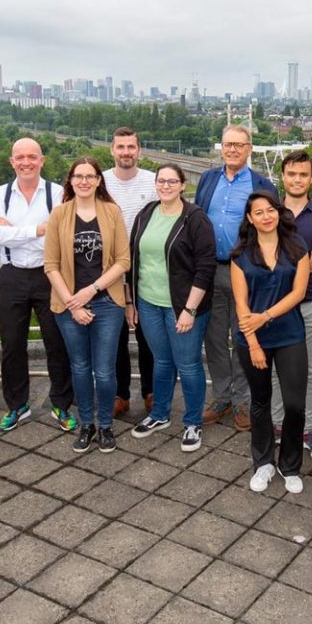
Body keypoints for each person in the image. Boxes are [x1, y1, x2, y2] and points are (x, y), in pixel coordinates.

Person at [126, 163, 216, 452]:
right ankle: (159, 414)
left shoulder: (195, 219)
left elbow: (205, 267)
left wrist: (189, 310)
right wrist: (131, 301)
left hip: (183, 307)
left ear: (182, 185)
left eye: (171, 181)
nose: (165, 186)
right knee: (161, 361)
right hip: (149, 302)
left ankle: (192, 422)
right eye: (161, 181)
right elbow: (133, 259)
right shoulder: (146, 214)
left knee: (188, 364)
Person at [45, 157, 131, 455]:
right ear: (70, 181)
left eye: (89, 176)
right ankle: (86, 425)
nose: (83, 181)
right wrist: (73, 303)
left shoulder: (111, 212)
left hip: (107, 303)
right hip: (69, 307)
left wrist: (91, 290)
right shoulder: (59, 215)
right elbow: (51, 265)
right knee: (80, 368)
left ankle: (105, 425)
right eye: (78, 176)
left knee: (105, 371)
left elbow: (123, 261)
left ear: (98, 180)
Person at [0, 138, 75, 432]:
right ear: (11, 162)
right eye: (20, 157)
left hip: (49, 274)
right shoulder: (0, 194)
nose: (26, 162)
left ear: (42, 160)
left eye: (32, 157)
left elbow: (62, 234)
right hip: (12, 274)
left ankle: (61, 405)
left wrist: (12, 230)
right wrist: (37, 229)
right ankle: (17, 405)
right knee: (12, 344)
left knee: (57, 342)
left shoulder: (57, 192)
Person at [196, 125, 276, 430]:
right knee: (214, 337)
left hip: (244, 270)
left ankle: (243, 400)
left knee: (243, 335)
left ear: (249, 149)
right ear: (222, 147)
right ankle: (221, 396)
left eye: (239, 145)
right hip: (210, 270)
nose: (232, 150)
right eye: (228, 144)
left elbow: (271, 228)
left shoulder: (262, 184)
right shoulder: (207, 179)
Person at [231, 191, 311, 494]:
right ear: (250, 219)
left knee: (295, 404)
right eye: (258, 212)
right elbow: (241, 306)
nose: (266, 216)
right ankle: (263, 462)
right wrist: (253, 343)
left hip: (290, 334)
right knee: (260, 402)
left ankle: (290, 465)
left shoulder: (297, 247)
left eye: (271, 210)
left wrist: (264, 316)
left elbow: (298, 293)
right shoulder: (240, 255)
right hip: (252, 340)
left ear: (278, 213)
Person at [270, 151, 312, 461]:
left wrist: (282, 261)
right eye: (292, 174)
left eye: (303, 175)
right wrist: (302, 259)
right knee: (275, 370)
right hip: (274, 305)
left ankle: (308, 429)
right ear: (283, 177)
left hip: (311, 302)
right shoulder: (268, 211)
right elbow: (258, 254)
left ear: (311, 179)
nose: (297, 180)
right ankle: (278, 426)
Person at [103, 127, 157, 419]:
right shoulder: (101, 181)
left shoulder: (152, 181)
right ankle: (120, 394)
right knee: (115, 336)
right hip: (109, 268)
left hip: (147, 267)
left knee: (149, 335)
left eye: (131, 147)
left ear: (139, 150)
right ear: (112, 150)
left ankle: (150, 391)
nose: (126, 152)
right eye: (120, 147)